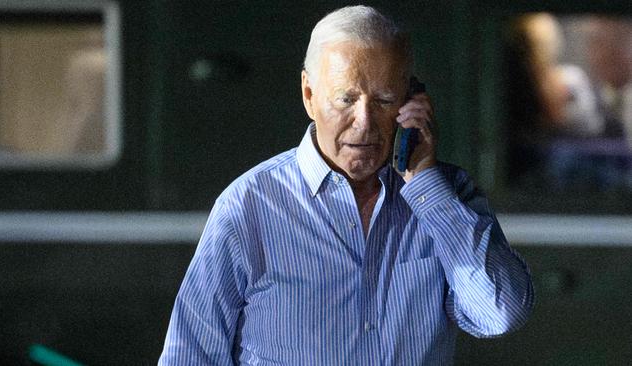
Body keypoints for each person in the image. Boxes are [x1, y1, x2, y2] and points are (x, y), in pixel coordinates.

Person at [159, 5, 534, 365]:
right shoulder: (247, 207)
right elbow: (189, 354)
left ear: (411, 100)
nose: (364, 122)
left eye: (385, 100)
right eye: (345, 99)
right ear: (309, 95)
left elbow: (499, 312)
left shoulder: (448, 194)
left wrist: (425, 184)